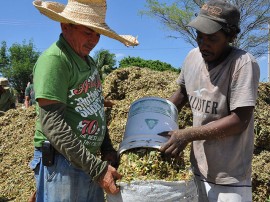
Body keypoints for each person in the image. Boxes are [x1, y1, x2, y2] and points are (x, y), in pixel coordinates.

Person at [29, 0, 139, 201]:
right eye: (88, 32)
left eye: (98, 34)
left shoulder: (89, 63)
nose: (94, 40)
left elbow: (95, 108)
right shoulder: (56, 60)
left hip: (86, 161)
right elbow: (52, 125)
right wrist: (97, 169)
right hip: (63, 163)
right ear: (65, 26)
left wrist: (106, 148)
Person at [158, 0, 260, 201]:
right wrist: (156, 119)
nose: (203, 44)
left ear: (230, 36)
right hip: (197, 168)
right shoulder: (192, 57)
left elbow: (240, 120)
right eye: (199, 37)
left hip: (229, 176)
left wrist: (186, 135)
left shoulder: (242, 64)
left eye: (212, 38)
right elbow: (182, 94)